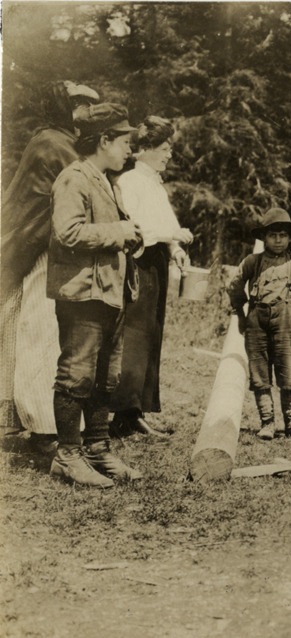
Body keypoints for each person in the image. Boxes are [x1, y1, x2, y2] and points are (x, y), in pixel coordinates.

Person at [47, 102, 144, 487]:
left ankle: (98, 450)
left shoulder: (105, 180)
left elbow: (108, 232)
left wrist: (130, 235)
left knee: (106, 376)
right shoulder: (74, 178)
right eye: (125, 142)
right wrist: (118, 232)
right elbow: (67, 233)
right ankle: (67, 456)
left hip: (109, 293)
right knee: (77, 375)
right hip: (82, 296)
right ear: (104, 140)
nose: (129, 151)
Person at [1, 81, 99, 449]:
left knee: (26, 331)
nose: (87, 111)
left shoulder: (57, 140)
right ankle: (44, 427)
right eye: (80, 104)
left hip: (40, 244)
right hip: (35, 247)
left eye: (89, 104)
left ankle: (24, 418)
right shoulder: (54, 144)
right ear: (65, 107)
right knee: (39, 332)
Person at [110, 116, 194, 438]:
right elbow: (136, 229)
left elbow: (166, 225)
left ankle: (138, 410)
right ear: (144, 149)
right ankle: (123, 413)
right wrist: (171, 235)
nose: (169, 154)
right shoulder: (129, 182)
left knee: (152, 334)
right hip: (138, 264)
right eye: (164, 148)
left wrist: (176, 249)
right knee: (135, 337)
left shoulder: (155, 184)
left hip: (156, 263)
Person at [228, 208, 291, 440]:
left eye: (283, 235)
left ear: (290, 238)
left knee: (288, 370)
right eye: (273, 235)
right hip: (256, 320)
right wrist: (240, 314)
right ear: (264, 237)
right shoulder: (252, 261)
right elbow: (234, 286)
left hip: (286, 321)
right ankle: (267, 423)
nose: (278, 240)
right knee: (259, 371)